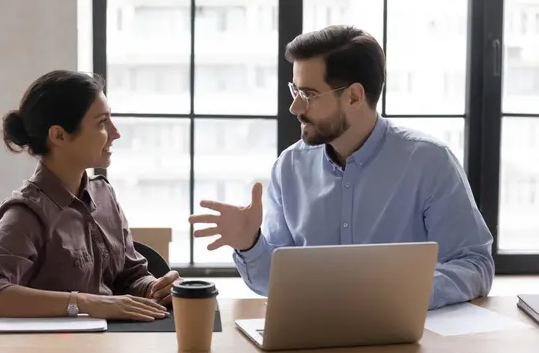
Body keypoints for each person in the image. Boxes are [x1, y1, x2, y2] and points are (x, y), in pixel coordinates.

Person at [188, 25, 495, 310]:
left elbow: (474, 265)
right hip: (312, 343)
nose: (295, 108)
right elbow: (275, 283)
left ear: (354, 96)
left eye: (308, 94)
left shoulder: (429, 162)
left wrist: (398, 294)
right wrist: (250, 244)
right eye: (295, 91)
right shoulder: (289, 168)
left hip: (406, 344)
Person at [0, 70, 179, 320]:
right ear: (59, 135)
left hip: (110, 346)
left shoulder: (104, 194)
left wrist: (154, 288)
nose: (115, 132)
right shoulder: (25, 213)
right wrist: (84, 302)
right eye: (102, 122)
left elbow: (129, 276)